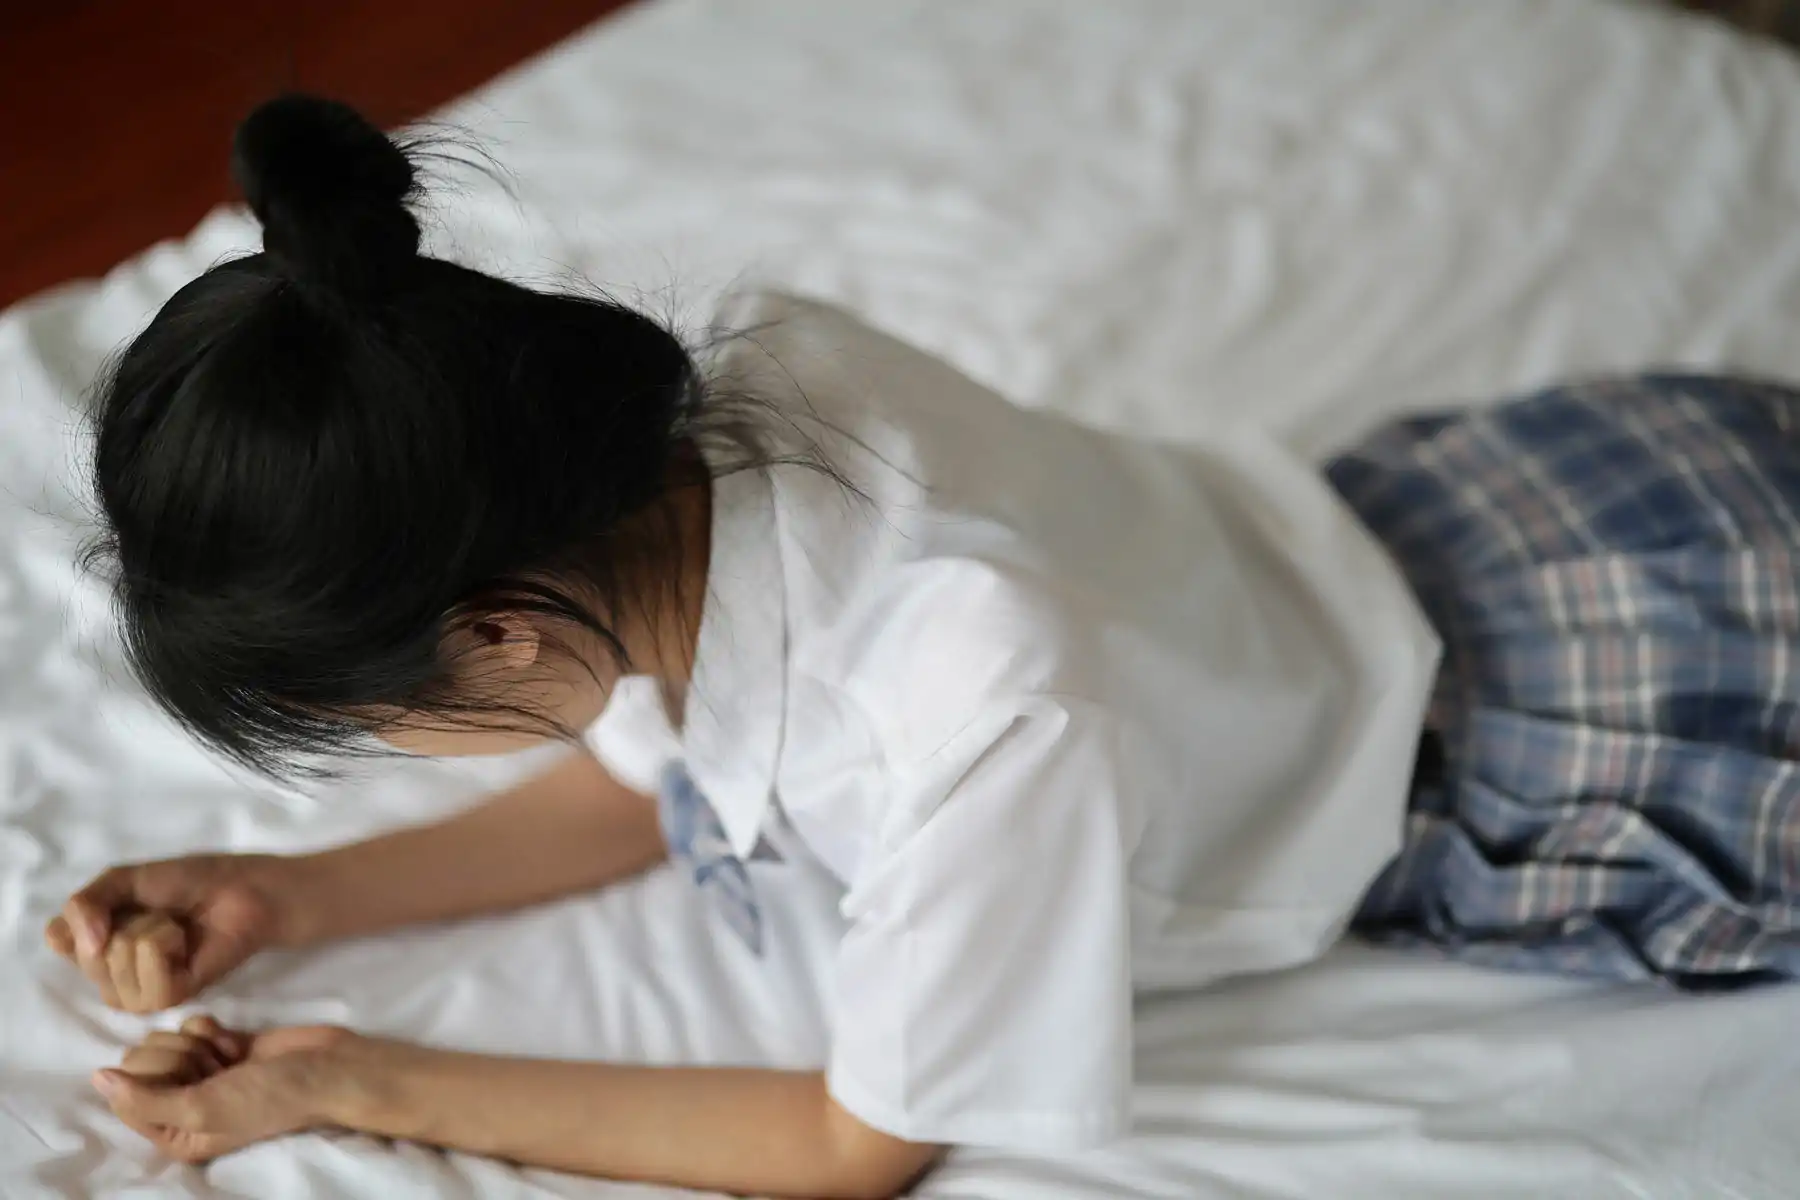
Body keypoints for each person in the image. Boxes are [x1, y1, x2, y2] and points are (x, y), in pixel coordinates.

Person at [42, 93, 1800, 1195]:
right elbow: (655, 781)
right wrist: (294, 897)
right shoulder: (712, 396)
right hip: (1507, 508)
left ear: (495, 630)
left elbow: (851, 1141)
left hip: (1627, 713)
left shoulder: (979, 711)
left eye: (371, 724)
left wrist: (359, 1083)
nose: (384, 755)